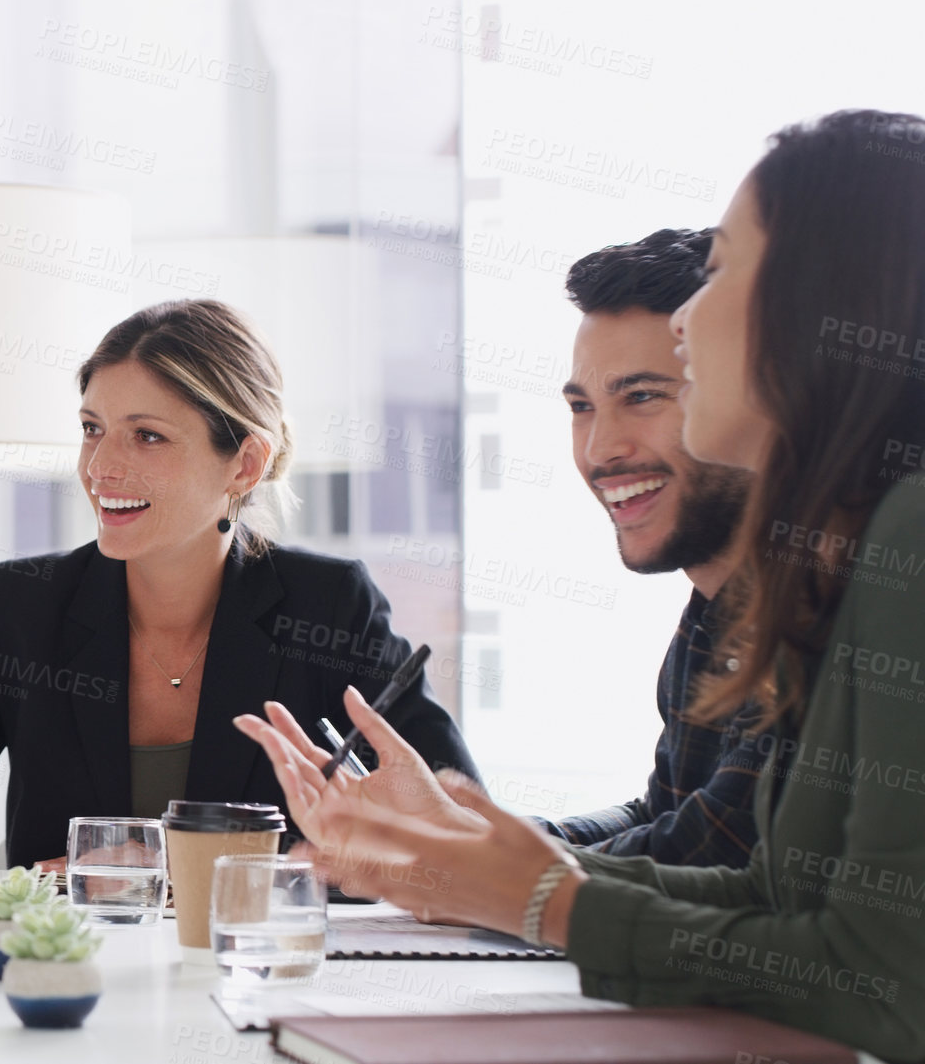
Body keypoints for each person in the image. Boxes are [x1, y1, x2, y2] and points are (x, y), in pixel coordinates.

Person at [237, 110, 925, 1060]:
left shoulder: (905, 539)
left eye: (722, 269)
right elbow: (770, 891)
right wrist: (486, 862)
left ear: (821, 305)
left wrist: (531, 888)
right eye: (581, 406)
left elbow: (882, 979)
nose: (691, 319)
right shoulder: (820, 570)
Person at [0, 298, 479, 886]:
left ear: (244, 461)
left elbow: (467, 836)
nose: (100, 467)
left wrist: (174, 871)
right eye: (92, 428)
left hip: (257, 980)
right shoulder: (16, 605)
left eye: (147, 436)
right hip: (59, 987)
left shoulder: (330, 607)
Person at [543, 227, 766, 866]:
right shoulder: (712, 612)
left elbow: (718, 849)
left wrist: (476, 863)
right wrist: (500, 840)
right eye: (582, 407)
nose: (600, 448)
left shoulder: (829, 606)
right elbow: (668, 816)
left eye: (641, 397)